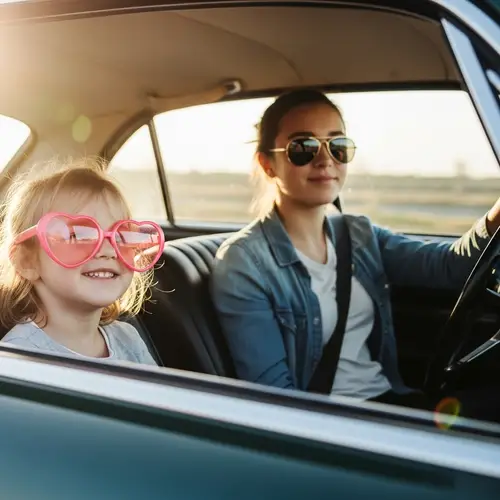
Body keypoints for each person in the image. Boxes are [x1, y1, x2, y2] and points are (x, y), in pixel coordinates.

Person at [210, 88, 500, 411]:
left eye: (338, 146)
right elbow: (277, 400)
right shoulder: (244, 263)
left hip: (391, 402)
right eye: (303, 147)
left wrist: (495, 216)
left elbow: (450, 267)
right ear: (268, 165)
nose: (325, 160)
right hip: (340, 428)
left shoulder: (357, 234)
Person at [0, 159, 165, 366]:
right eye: (78, 235)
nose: (108, 250)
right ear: (26, 261)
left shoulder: (128, 339)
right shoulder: (18, 356)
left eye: (121, 235)